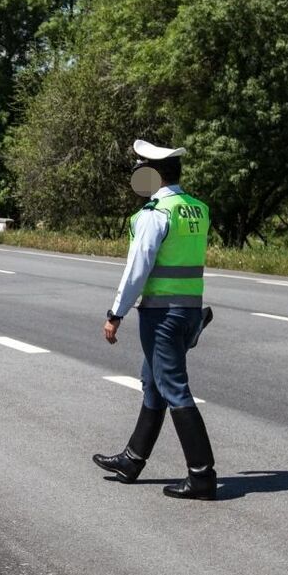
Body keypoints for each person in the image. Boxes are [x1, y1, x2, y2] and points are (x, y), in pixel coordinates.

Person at [93, 139, 217, 500]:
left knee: (174, 388)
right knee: (153, 383)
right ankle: (132, 460)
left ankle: (202, 476)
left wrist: (115, 313)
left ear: (152, 174)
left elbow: (137, 269)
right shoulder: (196, 209)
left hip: (162, 314)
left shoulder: (155, 214)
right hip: (189, 310)